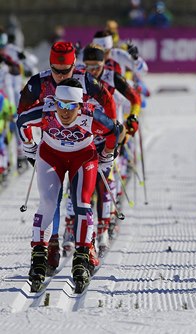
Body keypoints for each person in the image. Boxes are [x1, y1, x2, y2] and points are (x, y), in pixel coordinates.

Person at [17, 41, 117, 272]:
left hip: (84, 142)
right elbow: (23, 113)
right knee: (52, 197)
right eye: (56, 70)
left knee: (81, 196)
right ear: (50, 65)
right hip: (51, 144)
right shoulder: (39, 82)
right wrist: (30, 146)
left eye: (66, 71)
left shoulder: (85, 80)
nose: (61, 76)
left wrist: (105, 146)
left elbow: (108, 106)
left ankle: (86, 245)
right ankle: (52, 242)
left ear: (74, 64)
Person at [81, 43, 141, 252]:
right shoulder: (79, 78)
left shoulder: (113, 78)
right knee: (80, 185)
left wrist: (132, 118)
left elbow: (135, 99)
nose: (92, 72)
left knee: (104, 181)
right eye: (87, 66)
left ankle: (103, 228)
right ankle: (74, 227)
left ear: (104, 63)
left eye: (96, 66)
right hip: (85, 136)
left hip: (109, 134)